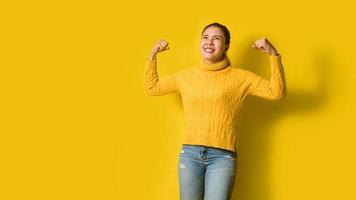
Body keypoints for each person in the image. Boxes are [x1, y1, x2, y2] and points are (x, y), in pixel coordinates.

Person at [144, 22, 287, 200]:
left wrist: (273, 54)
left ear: (226, 46)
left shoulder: (240, 77)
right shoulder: (186, 76)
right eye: (205, 37)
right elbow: (152, 87)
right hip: (189, 155)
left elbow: (276, 92)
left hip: (222, 157)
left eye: (216, 38)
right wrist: (153, 54)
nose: (209, 42)